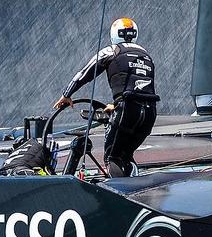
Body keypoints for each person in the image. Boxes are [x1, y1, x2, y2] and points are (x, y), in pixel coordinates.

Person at [53, 17, 158, 177]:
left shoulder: (112, 50)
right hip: (150, 113)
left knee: (113, 156)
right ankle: (135, 187)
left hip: (127, 109)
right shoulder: (146, 55)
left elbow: (84, 73)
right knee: (126, 154)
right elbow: (139, 88)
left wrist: (67, 94)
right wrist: (115, 106)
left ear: (114, 34)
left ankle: (118, 194)